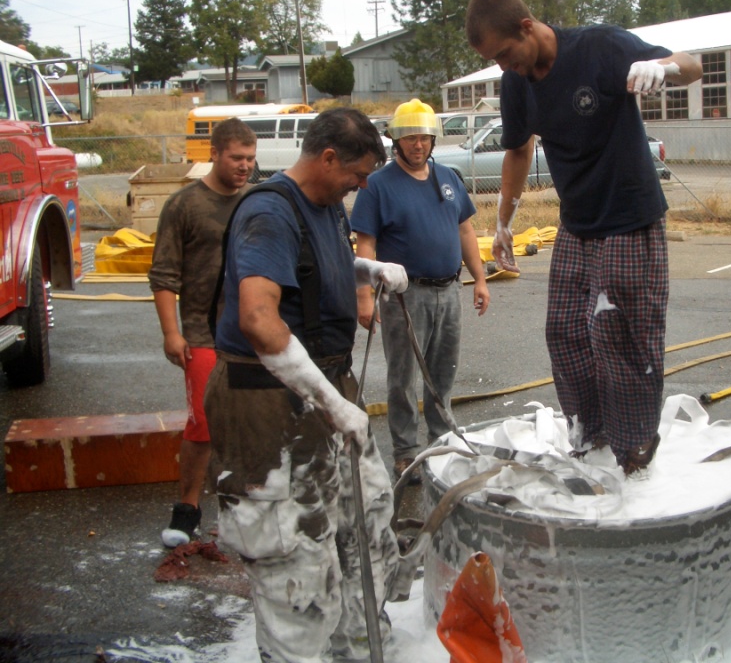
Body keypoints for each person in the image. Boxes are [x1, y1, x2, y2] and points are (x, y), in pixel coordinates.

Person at [465, 0, 702, 477]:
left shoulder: (599, 47)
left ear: (527, 27)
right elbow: (517, 150)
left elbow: (692, 65)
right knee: (566, 331)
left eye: (505, 53)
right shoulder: (516, 82)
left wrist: (663, 68)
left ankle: (635, 445)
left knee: (618, 333)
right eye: (494, 61)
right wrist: (504, 222)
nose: (505, 66)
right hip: (577, 223)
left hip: (629, 216)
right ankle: (590, 435)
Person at [203, 108, 408, 662]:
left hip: (324, 388)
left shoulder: (325, 205)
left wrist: (367, 269)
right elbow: (258, 319)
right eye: (357, 175)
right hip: (266, 404)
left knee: (365, 519)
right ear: (328, 158)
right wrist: (333, 405)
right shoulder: (269, 212)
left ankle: (359, 646)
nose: (360, 187)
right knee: (295, 559)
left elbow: (315, 264)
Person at [350, 99, 490, 483]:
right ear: (396, 140)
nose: (418, 144)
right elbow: (365, 245)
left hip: (449, 290)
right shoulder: (378, 186)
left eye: (424, 138)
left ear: (433, 140)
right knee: (403, 377)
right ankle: (406, 453)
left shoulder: (448, 178)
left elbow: (465, 230)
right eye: (410, 137)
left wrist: (479, 278)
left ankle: (441, 443)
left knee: (443, 373)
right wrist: (364, 298)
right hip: (404, 296)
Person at [149, 117, 257, 547]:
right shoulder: (184, 205)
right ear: (214, 154)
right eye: (236, 158)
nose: (244, 166)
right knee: (203, 427)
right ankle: (187, 509)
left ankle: (246, 507)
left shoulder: (257, 201)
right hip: (201, 336)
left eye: (250, 158)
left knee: (252, 423)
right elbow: (163, 276)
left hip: (251, 335)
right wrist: (171, 334)